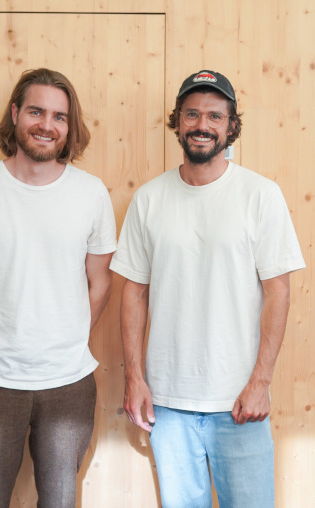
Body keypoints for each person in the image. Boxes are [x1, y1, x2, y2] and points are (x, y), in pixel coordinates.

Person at [110, 70, 305, 507]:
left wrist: (261, 382)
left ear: (231, 125)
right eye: (192, 113)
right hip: (169, 404)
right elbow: (133, 293)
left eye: (215, 116)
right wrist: (135, 377)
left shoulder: (261, 195)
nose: (203, 124)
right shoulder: (149, 199)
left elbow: (278, 292)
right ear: (177, 121)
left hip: (240, 402)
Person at [0, 68, 117, 508]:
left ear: (68, 127)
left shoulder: (91, 194)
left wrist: (68, 335)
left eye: (59, 116)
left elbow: (100, 284)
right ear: (16, 113)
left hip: (69, 379)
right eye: (36, 111)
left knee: (59, 501)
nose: (46, 124)